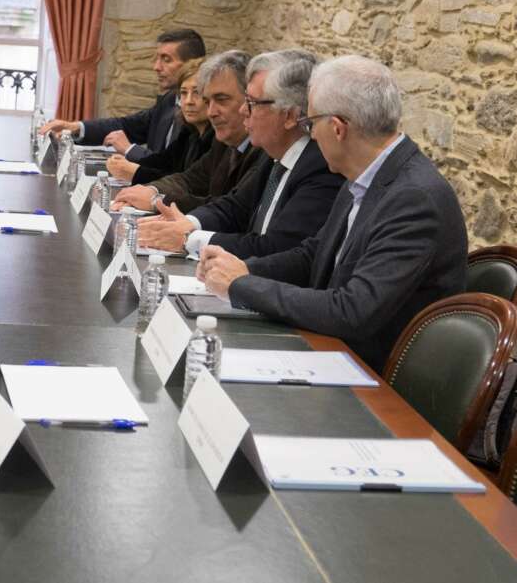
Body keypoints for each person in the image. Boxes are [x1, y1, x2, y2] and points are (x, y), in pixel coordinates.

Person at [199, 55, 468, 372]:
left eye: (311, 124)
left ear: (338, 128)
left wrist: (242, 285)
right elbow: (314, 254)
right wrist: (244, 268)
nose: (310, 135)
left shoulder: (413, 199)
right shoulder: (364, 174)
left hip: (374, 380)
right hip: (334, 353)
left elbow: (353, 310)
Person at [138, 49, 344, 259]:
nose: (244, 110)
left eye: (253, 103)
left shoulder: (321, 166)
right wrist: (188, 223)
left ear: (290, 115)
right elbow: (235, 208)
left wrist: (187, 238)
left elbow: (278, 248)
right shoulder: (273, 154)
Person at [112, 51, 267, 215]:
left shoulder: (264, 151)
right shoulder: (222, 142)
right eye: (207, 101)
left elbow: (232, 209)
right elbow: (189, 179)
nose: (211, 112)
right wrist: (151, 190)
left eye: (221, 99)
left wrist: (157, 200)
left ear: (249, 101)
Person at [40, 28, 207, 160]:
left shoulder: (203, 113)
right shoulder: (169, 100)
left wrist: (130, 150)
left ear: (192, 64)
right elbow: (128, 125)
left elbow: (175, 168)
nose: (156, 67)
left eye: (166, 59)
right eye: (157, 58)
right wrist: (76, 127)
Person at [105, 57, 213, 184]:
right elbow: (163, 162)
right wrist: (127, 163)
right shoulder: (190, 131)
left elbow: (189, 183)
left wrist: (135, 172)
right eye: (183, 93)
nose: (188, 101)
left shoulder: (216, 139)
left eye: (197, 93)